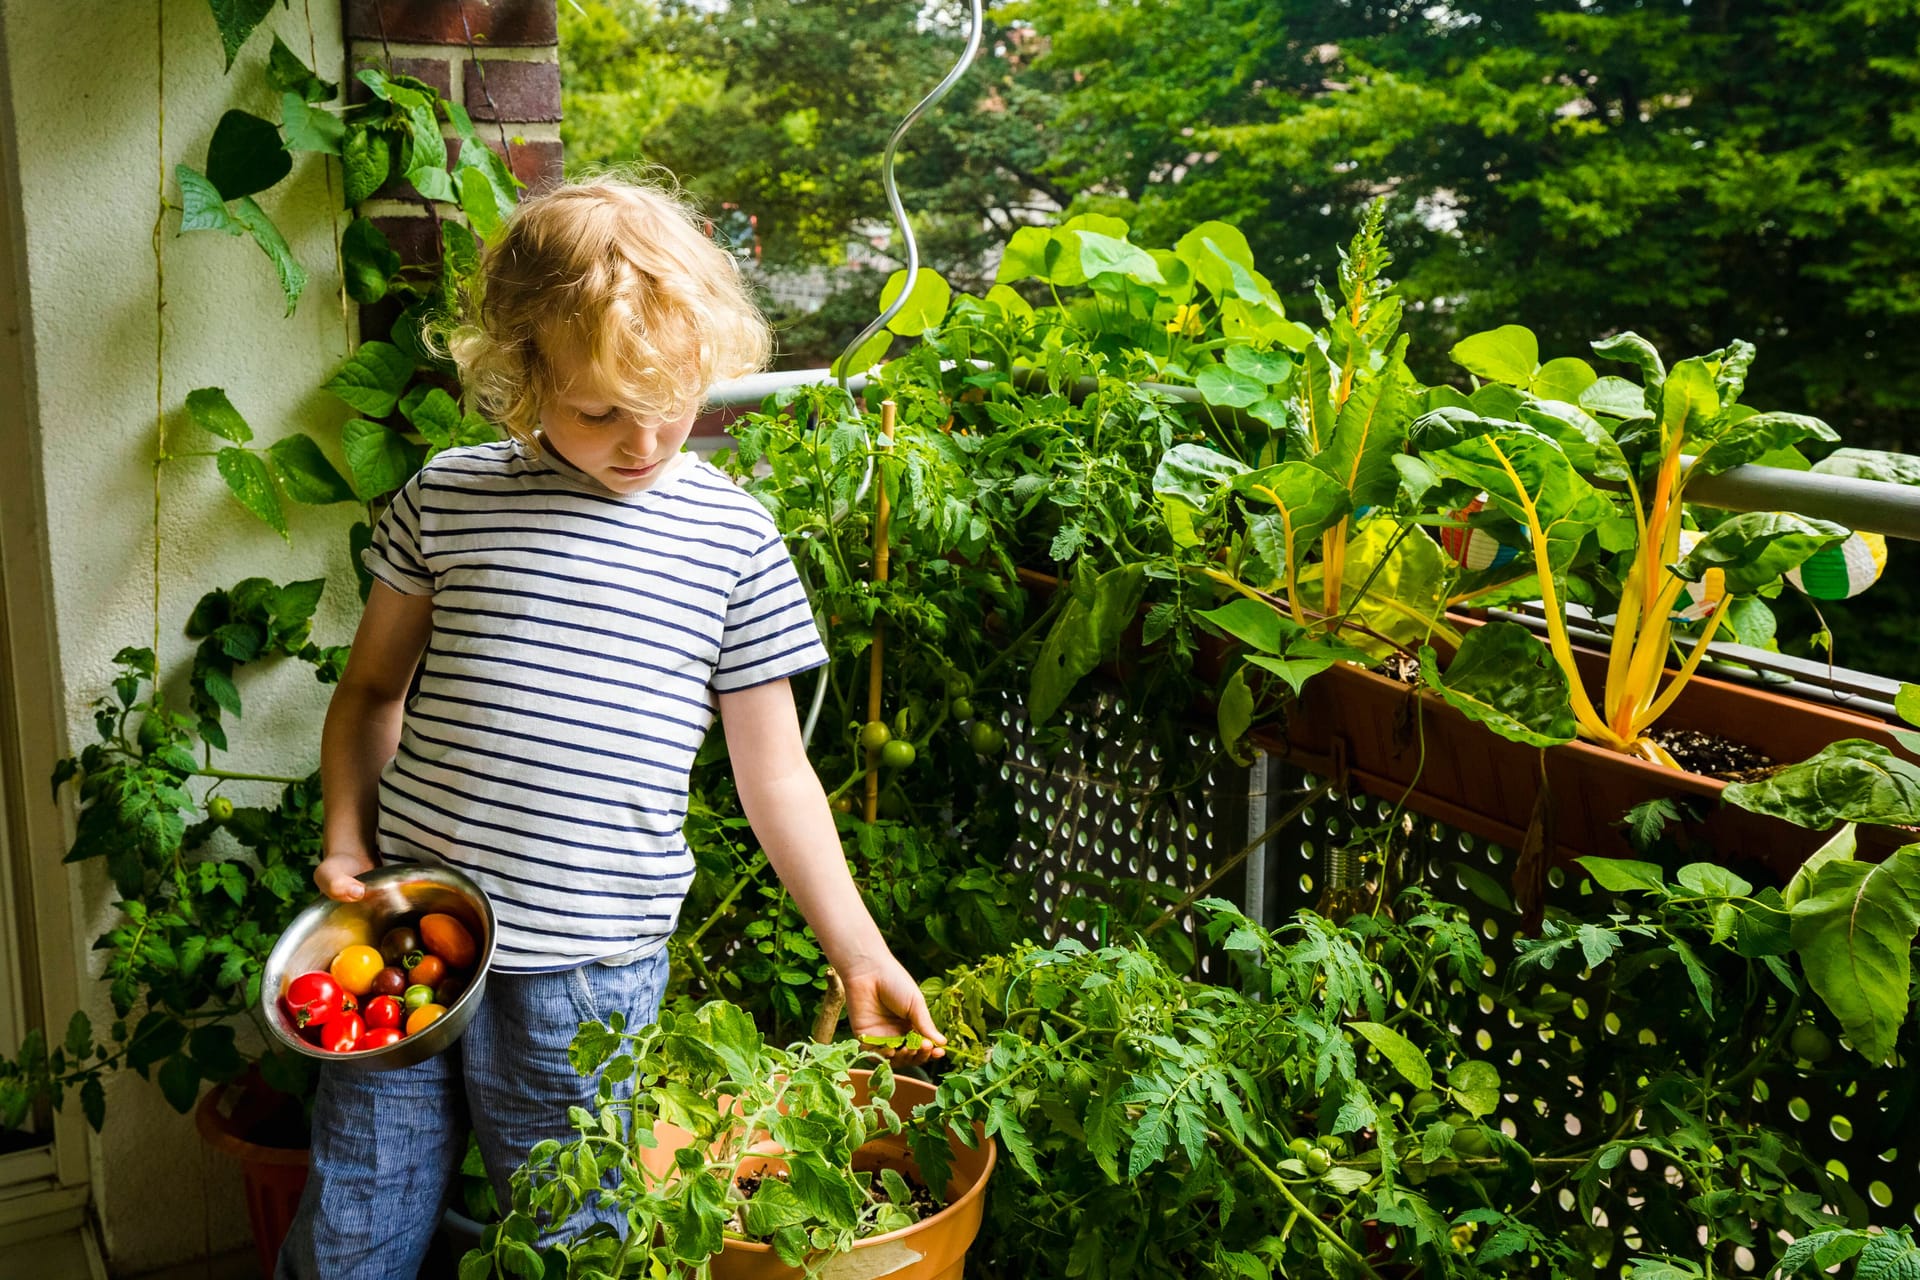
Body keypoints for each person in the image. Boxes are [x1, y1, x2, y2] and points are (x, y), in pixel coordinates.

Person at [276, 173, 944, 1279]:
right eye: (598, 411)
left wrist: (857, 945)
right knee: (353, 1223)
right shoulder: (448, 499)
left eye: (673, 400)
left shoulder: (732, 539)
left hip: (585, 971)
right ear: (522, 371)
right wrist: (349, 834)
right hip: (406, 929)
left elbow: (775, 775)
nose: (643, 440)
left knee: (570, 1237)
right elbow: (368, 693)